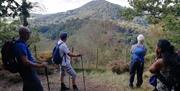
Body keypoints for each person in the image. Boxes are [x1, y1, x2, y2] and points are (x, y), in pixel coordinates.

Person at [14, 26, 47, 91]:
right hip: (28, 72)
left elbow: (29, 59)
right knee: (38, 88)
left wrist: (40, 63)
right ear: (24, 34)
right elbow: (25, 62)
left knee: (28, 87)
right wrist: (40, 65)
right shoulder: (20, 46)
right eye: (29, 33)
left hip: (28, 72)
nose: (29, 34)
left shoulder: (22, 44)